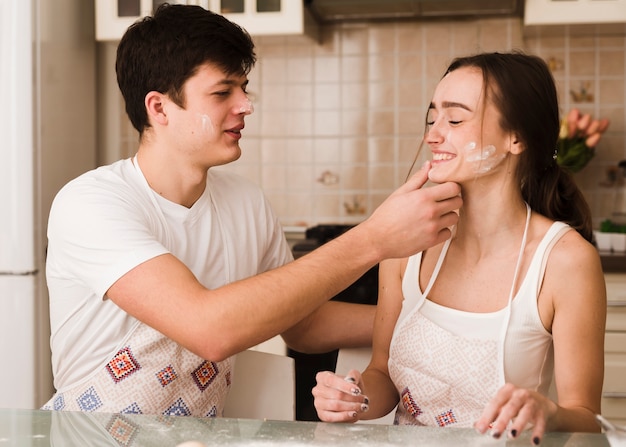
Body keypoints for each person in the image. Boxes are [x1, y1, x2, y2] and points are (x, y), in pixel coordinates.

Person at [41, 4, 462, 417]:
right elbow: (208, 329)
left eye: (244, 89)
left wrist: (425, 320)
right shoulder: (90, 203)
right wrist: (374, 238)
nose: (246, 105)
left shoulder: (245, 201)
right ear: (159, 108)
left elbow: (302, 323)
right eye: (223, 92)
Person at [312, 51, 606, 443]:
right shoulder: (406, 244)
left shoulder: (565, 261)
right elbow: (382, 373)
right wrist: (354, 396)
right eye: (432, 117)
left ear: (515, 138)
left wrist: (549, 413)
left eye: (454, 119)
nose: (432, 134)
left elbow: (586, 417)